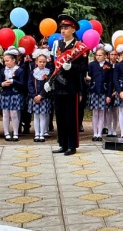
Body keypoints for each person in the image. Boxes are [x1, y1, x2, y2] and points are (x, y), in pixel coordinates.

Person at [49, 14, 89, 156]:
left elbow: (84, 67)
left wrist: (71, 67)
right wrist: (50, 81)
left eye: (66, 28)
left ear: (73, 29)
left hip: (72, 87)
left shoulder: (80, 47)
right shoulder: (58, 45)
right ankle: (63, 143)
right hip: (59, 86)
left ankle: (72, 145)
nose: (63, 31)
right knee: (59, 116)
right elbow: (53, 65)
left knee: (71, 117)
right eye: (62, 28)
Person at [0, 48, 26, 142]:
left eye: (8, 60)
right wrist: (2, 84)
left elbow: (22, 83)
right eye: (4, 61)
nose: (6, 63)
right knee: (5, 114)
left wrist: (13, 81)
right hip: (5, 94)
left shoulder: (20, 70)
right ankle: (6, 133)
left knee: (14, 114)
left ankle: (15, 133)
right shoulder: (3, 71)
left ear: (14, 60)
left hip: (15, 94)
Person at [86, 45, 112, 141]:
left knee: (102, 113)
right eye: (97, 55)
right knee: (95, 113)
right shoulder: (92, 65)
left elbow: (110, 81)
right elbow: (88, 76)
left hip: (103, 91)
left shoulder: (108, 66)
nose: (98, 57)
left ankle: (99, 134)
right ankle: (95, 133)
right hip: (94, 90)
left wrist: (109, 95)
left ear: (105, 56)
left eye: (100, 55)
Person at [28, 49, 53, 142]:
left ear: (46, 62)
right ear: (36, 62)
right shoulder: (32, 72)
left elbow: (48, 85)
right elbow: (30, 84)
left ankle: (42, 133)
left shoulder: (48, 72)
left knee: (43, 115)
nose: (42, 63)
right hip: (34, 98)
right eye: (40, 62)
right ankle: (37, 133)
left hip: (44, 98)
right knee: (36, 116)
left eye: (44, 62)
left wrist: (41, 95)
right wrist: (34, 95)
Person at [105, 49, 120, 136]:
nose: (114, 56)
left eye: (115, 54)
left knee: (115, 111)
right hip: (108, 90)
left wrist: (116, 91)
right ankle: (109, 129)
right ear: (108, 55)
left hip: (117, 90)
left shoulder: (119, 65)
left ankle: (114, 130)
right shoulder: (107, 65)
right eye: (112, 54)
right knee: (108, 111)